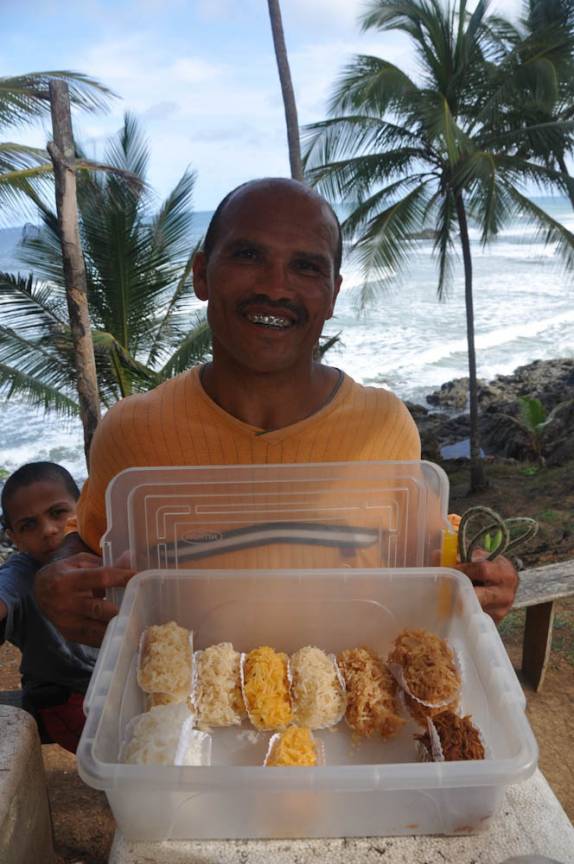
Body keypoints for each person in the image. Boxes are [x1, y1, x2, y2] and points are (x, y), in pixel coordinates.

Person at [34, 177, 518, 645]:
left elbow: (426, 566)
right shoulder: (132, 432)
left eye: (306, 267)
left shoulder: (385, 428)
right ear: (202, 273)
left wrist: (481, 581)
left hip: (351, 715)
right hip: (186, 718)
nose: (276, 287)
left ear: (332, 294)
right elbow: (95, 547)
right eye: (249, 255)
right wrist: (54, 580)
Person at [0, 462, 98, 753]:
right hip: (65, 699)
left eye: (58, 513)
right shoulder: (21, 573)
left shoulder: (100, 550)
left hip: (111, 684)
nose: (48, 530)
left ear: (82, 508)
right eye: (28, 525)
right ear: (13, 538)